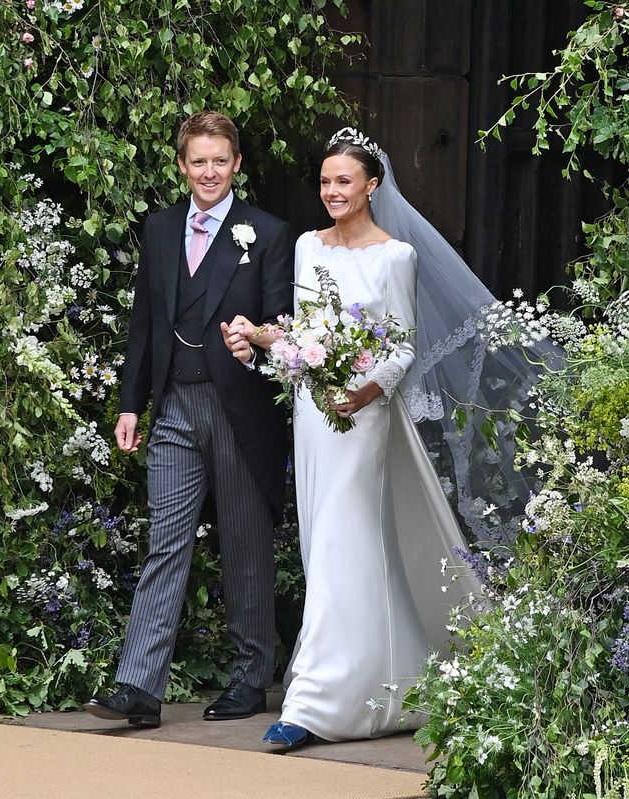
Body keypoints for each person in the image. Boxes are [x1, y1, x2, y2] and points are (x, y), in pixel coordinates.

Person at [226, 128, 538, 747]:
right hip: (314, 415)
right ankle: (383, 686)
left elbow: (399, 348)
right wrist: (264, 339)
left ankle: (315, 704)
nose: (332, 191)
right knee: (325, 547)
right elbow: (307, 333)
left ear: (372, 185)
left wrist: (360, 394)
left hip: (361, 416)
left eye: (344, 181)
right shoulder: (309, 248)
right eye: (324, 181)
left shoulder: (397, 255)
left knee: (344, 539)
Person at [85, 111, 295, 728]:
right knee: (165, 543)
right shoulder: (159, 228)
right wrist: (130, 403)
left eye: (220, 161)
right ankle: (139, 690)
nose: (209, 172)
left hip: (239, 410)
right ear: (182, 165)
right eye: (198, 161)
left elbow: (286, 325)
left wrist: (255, 339)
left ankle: (253, 677)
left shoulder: (270, 233)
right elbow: (144, 324)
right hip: (174, 404)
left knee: (245, 544)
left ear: (237, 166)